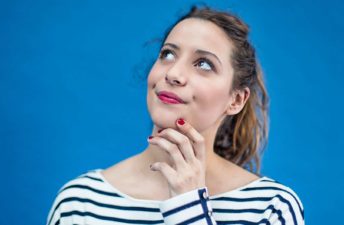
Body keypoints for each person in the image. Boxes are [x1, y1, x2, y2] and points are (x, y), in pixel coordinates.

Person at [46, 4, 304, 225]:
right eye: (168, 54)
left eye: (204, 64)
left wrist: (189, 207)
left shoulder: (271, 207)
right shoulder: (80, 202)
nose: (173, 74)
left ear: (236, 100)